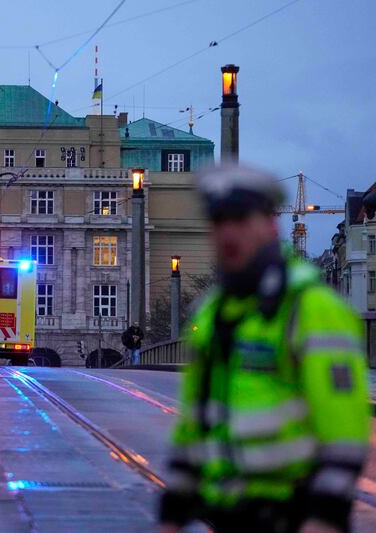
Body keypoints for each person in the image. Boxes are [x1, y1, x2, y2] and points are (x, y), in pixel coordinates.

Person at [158, 165, 370, 533]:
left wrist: (324, 518)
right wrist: (172, 514)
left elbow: (345, 429)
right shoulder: (212, 313)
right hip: (224, 513)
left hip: (292, 513)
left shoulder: (312, 308)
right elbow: (194, 424)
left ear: (270, 224)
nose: (229, 232)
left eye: (241, 218)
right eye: (219, 220)